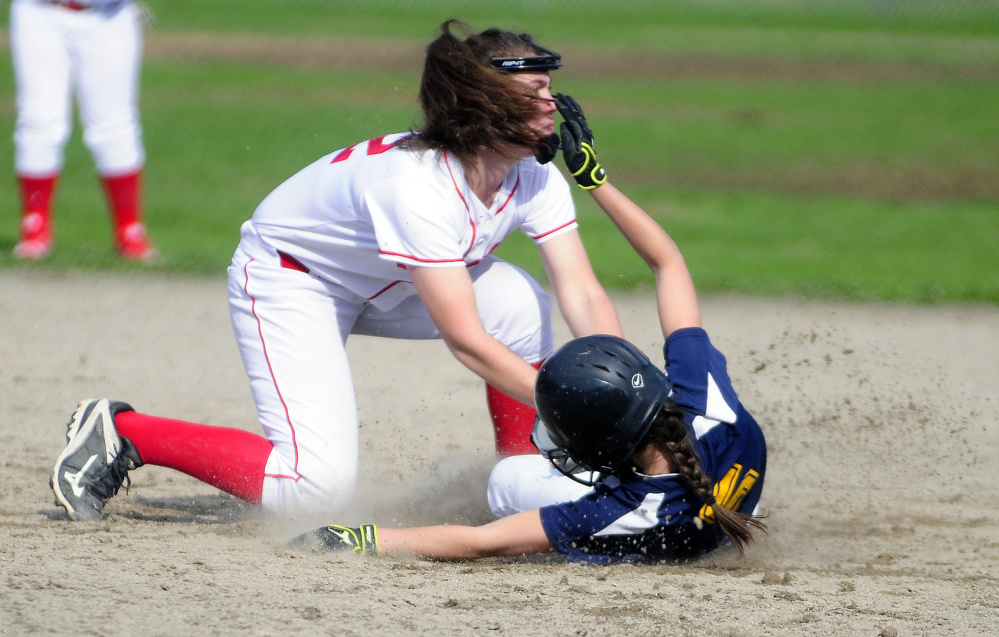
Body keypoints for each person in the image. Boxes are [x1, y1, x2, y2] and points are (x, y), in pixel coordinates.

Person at [48, 21, 623, 521]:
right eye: (534, 91)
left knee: (522, 303)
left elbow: (583, 292)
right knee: (313, 493)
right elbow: (467, 340)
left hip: (389, 282)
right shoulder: (418, 187)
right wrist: (573, 405)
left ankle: (522, 477)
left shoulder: (534, 173)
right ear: (485, 106)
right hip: (293, 280)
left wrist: (627, 387)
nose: (554, 102)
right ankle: (123, 432)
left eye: (549, 86)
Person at [289, 94, 768, 564]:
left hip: (665, 527)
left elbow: (486, 542)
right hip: (729, 505)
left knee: (509, 481)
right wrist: (595, 182)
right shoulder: (713, 410)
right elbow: (669, 264)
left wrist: (363, 539)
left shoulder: (614, 510)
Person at [10, 0, 156, 261]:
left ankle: (130, 230)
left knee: (114, 123)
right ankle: (35, 227)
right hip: (39, 10)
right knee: (39, 119)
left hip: (108, 14)